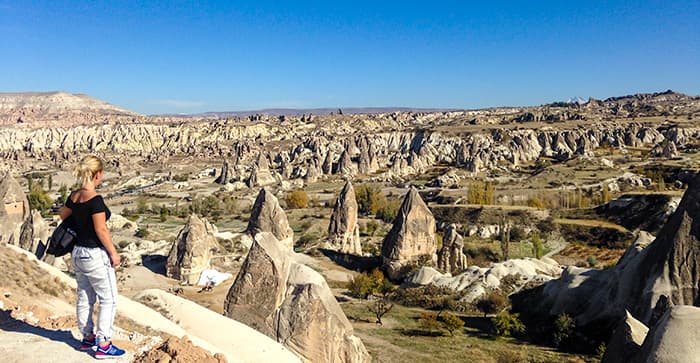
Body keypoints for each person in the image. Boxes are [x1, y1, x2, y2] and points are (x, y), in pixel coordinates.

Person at [60, 155, 125, 359]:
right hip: (94, 254)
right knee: (109, 299)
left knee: (85, 296)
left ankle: (87, 338)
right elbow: (101, 229)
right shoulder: (95, 200)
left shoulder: (74, 196)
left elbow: (63, 215)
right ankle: (104, 344)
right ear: (98, 174)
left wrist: (80, 225)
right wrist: (113, 253)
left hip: (77, 253)